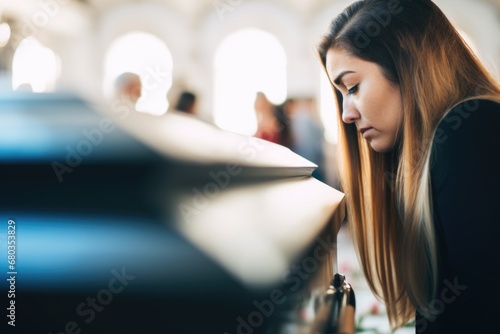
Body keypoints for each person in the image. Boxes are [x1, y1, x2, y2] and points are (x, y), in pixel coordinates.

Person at [317, 0, 500, 333]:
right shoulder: (438, 147)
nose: (346, 114)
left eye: (353, 87)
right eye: (341, 94)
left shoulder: (470, 129)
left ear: (407, 64)